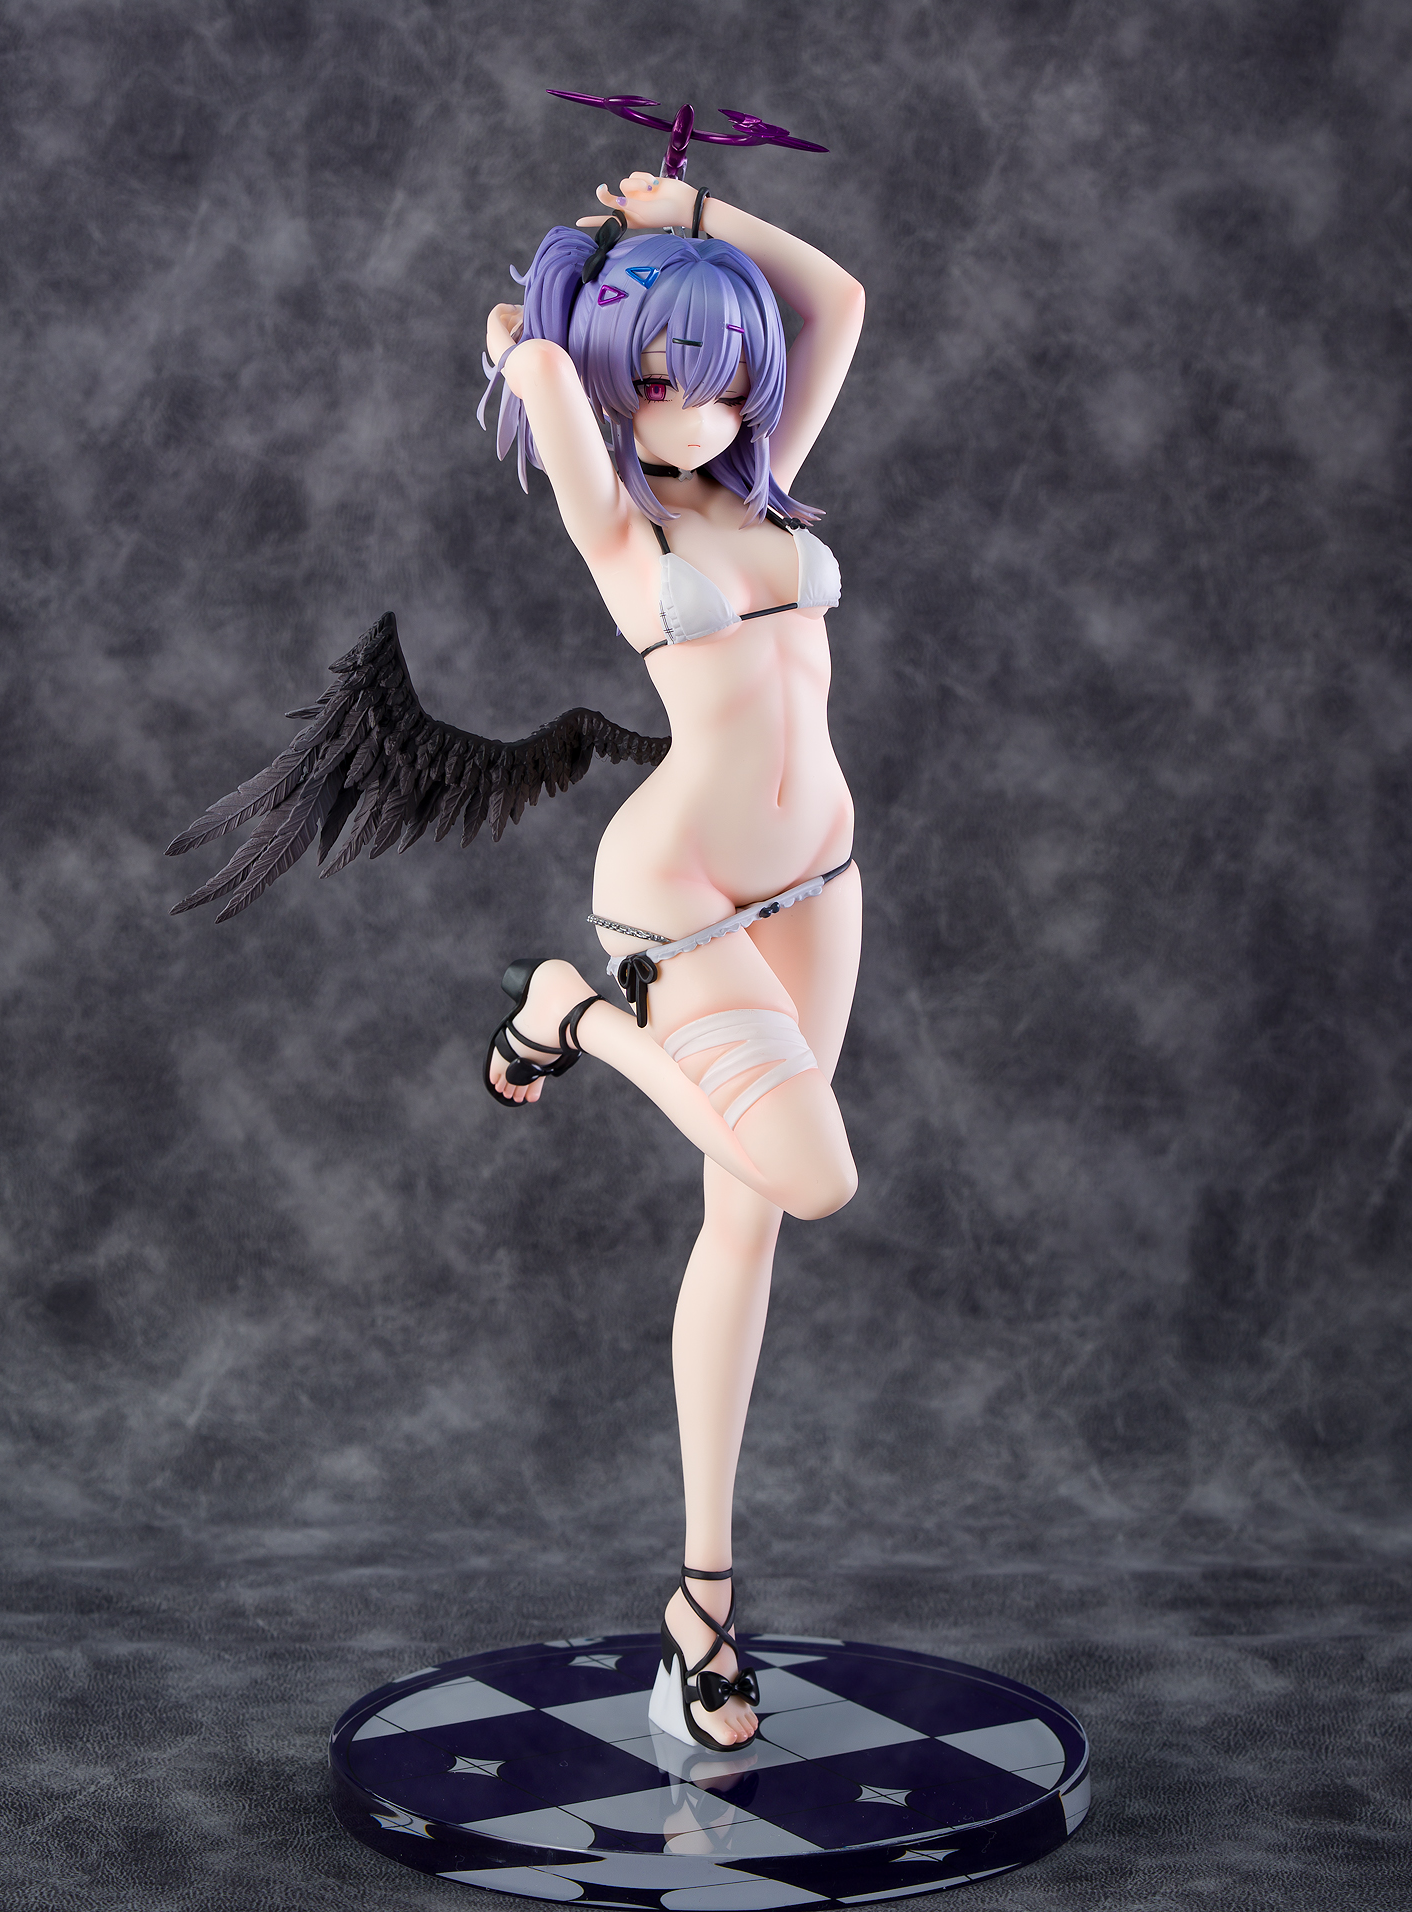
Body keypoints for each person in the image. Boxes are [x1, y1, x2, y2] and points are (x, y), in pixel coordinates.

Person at [478, 168, 864, 1751]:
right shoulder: (619, 522)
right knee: (812, 1175)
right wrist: (557, 316)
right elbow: (537, 356)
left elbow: (838, 300)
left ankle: (703, 1596)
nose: (694, 412)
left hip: (818, 885)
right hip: (684, 892)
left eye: (719, 378)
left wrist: (696, 212)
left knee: (748, 1220)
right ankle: (575, 1011)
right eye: (657, 382)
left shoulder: (768, 487)